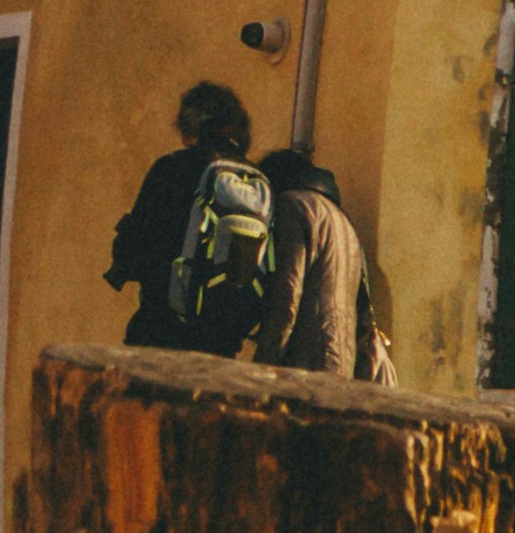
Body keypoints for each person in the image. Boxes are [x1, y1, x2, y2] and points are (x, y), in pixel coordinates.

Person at [102, 80, 278, 355]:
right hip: (221, 347)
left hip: (161, 334)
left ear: (189, 129)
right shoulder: (257, 181)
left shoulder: (172, 168)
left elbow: (132, 248)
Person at [250, 144, 388, 378]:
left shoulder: (292, 206)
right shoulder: (341, 218)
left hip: (304, 358)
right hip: (342, 356)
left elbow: (288, 293)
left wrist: (265, 362)